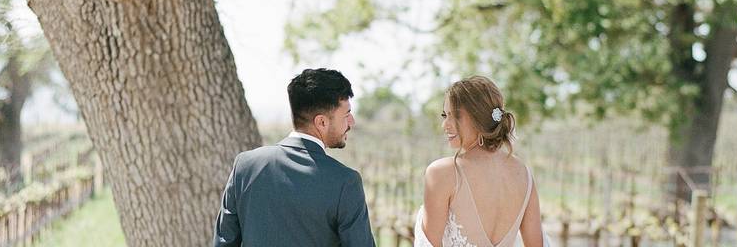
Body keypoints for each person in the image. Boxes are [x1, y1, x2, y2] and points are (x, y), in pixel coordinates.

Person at [211, 68, 377, 247]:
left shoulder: (245, 166)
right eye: (346, 115)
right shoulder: (345, 181)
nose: (351, 122)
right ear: (321, 122)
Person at [414, 76, 550, 247]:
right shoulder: (523, 173)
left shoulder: (442, 173)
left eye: (455, 115)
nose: (445, 125)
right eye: (444, 115)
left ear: (478, 118)